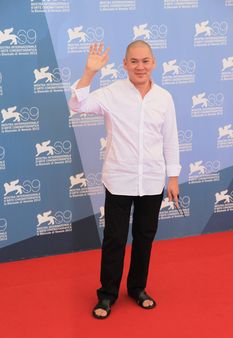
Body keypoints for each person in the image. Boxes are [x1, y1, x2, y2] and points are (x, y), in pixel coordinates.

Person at [69, 40, 181, 319]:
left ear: (153, 63)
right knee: (115, 239)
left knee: (144, 238)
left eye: (145, 61)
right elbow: (78, 104)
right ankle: (107, 295)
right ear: (125, 64)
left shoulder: (164, 98)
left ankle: (137, 289)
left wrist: (174, 177)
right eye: (134, 61)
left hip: (153, 181)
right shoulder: (111, 93)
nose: (140, 66)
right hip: (119, 179)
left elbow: (171, 139)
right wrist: (89, 72)